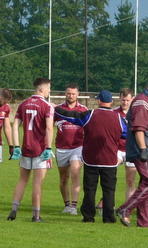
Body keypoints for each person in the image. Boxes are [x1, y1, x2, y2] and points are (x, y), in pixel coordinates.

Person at [54, 90, 126, 223]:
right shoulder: (118, 118)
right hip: (110, 160)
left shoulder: (90, 114)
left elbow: (71, 116)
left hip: (91, 159)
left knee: (90, 189)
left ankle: (88, 216)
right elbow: (127, 134)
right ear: (111, 102)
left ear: (99, 101)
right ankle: (109, 217)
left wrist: (55, 109)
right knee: (109, 190)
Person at [117, 75, 148, 228]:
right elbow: (139, 128)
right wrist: (143, 150)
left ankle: (145, 222)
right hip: (147, 150)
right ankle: (125, 209)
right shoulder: (142, 102)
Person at [8, 77, 55, 222]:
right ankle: (36, 215)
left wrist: (16, 146)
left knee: (22, 180)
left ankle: (13, 210)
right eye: (48, 88)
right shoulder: (46, 106)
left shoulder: (23, 104)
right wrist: (49, 147)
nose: (48, 91)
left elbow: (15, 126)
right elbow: (48, 127)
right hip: (40, 149)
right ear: (41, 89)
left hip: (26, 148)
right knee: (37, 183)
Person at [55, 84, 87, 215]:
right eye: (69, 93)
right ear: (65, 94)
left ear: (77, 94)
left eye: (73, 94)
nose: (71, 96)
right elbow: (49, 126)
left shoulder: (83, 109)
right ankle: (67, 204)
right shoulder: (58, 109)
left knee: (75, 172)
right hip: (61, 148)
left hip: (78, 147)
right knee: (63, 178)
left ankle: (74, 205)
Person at [117, 88, 136, 202]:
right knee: (110, 177)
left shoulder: (136, 113)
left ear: (132, 100)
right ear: (119, 98)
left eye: (128, 100)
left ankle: (127, 207)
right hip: (117, 149)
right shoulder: (114, 113)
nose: (125, 103)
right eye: (123, 100)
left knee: (130, 180)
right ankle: (107, 203)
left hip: (131, 149)